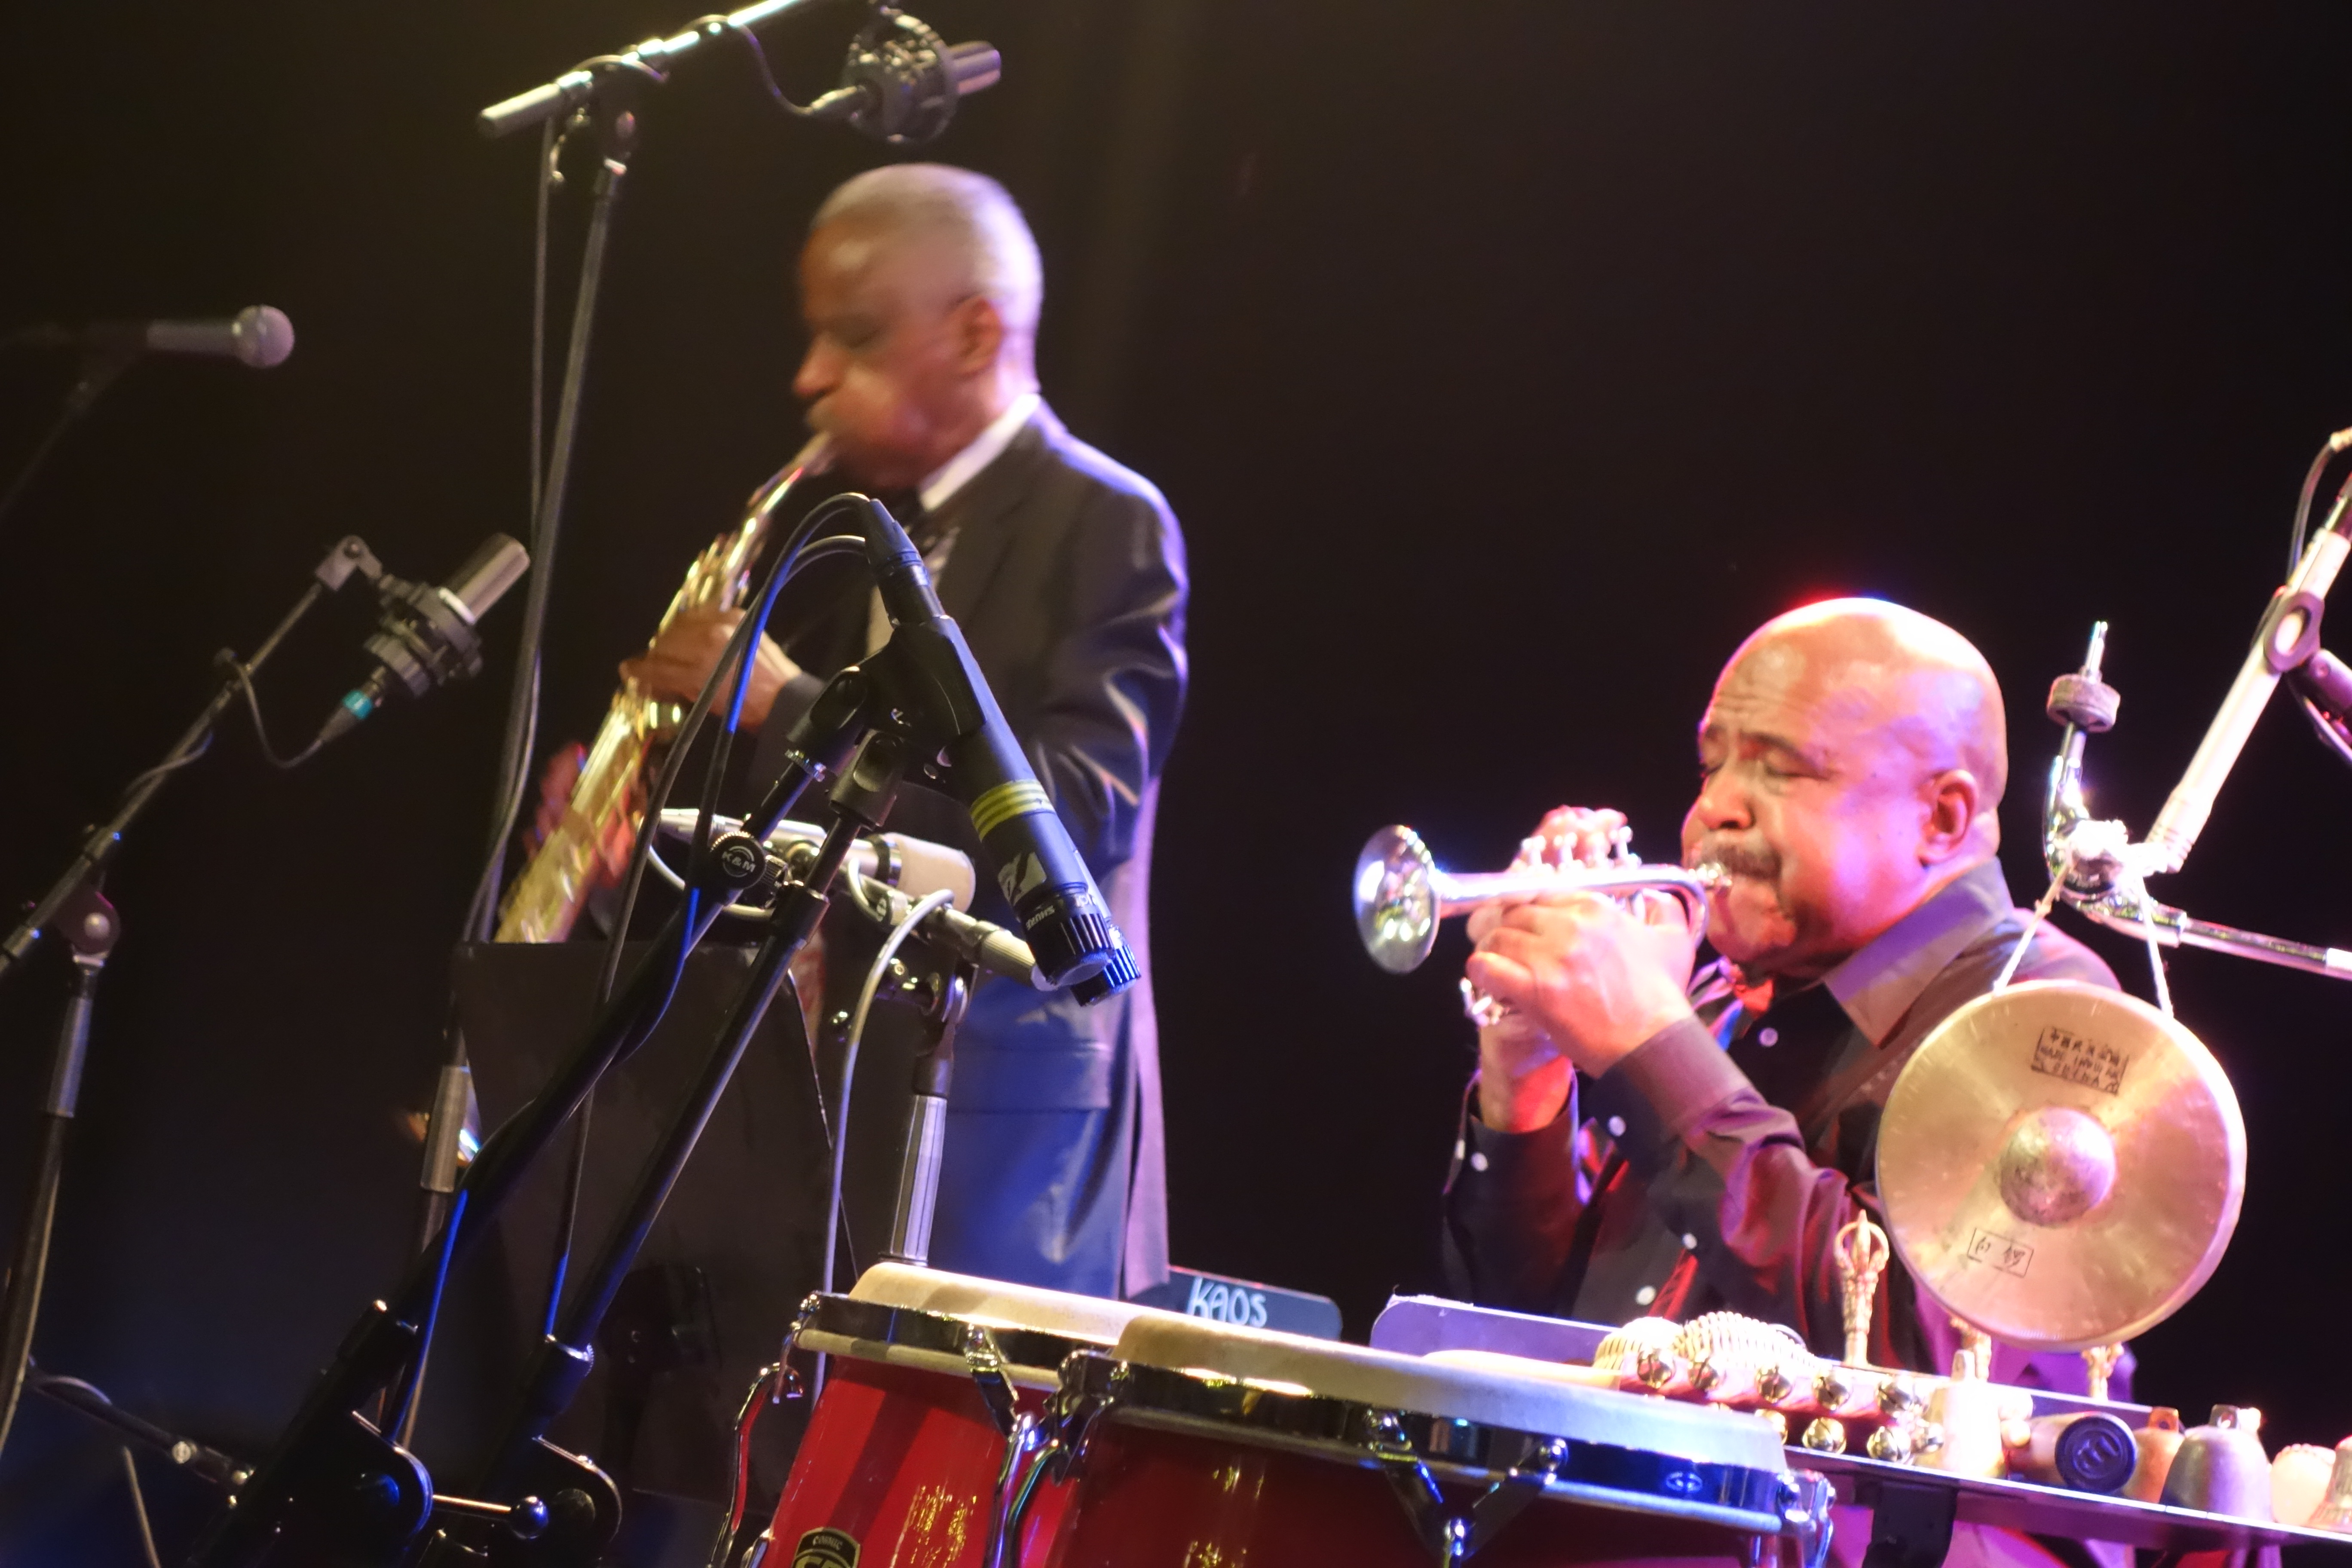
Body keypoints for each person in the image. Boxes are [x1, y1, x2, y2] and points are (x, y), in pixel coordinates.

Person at [619, 162, 1188, 1301]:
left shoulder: (1109, 521)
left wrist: (782, 702)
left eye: (856, 338)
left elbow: (1066, 828)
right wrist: (645, 812)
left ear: (976, 334)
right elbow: (832, 828)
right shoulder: (843, 537)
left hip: (996, 1139)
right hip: (814, 1107)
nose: (810, 376)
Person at [1443, 596, 2126, 1387]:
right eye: (1712, 765)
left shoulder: (2045, 1006)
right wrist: (1527, 1070)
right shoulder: (1719, 1002)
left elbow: (1922, 1349)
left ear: (1940, 818)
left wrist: (1654, 1052)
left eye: (1783, 767)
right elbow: (1505, 1330)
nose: (1713, 810)